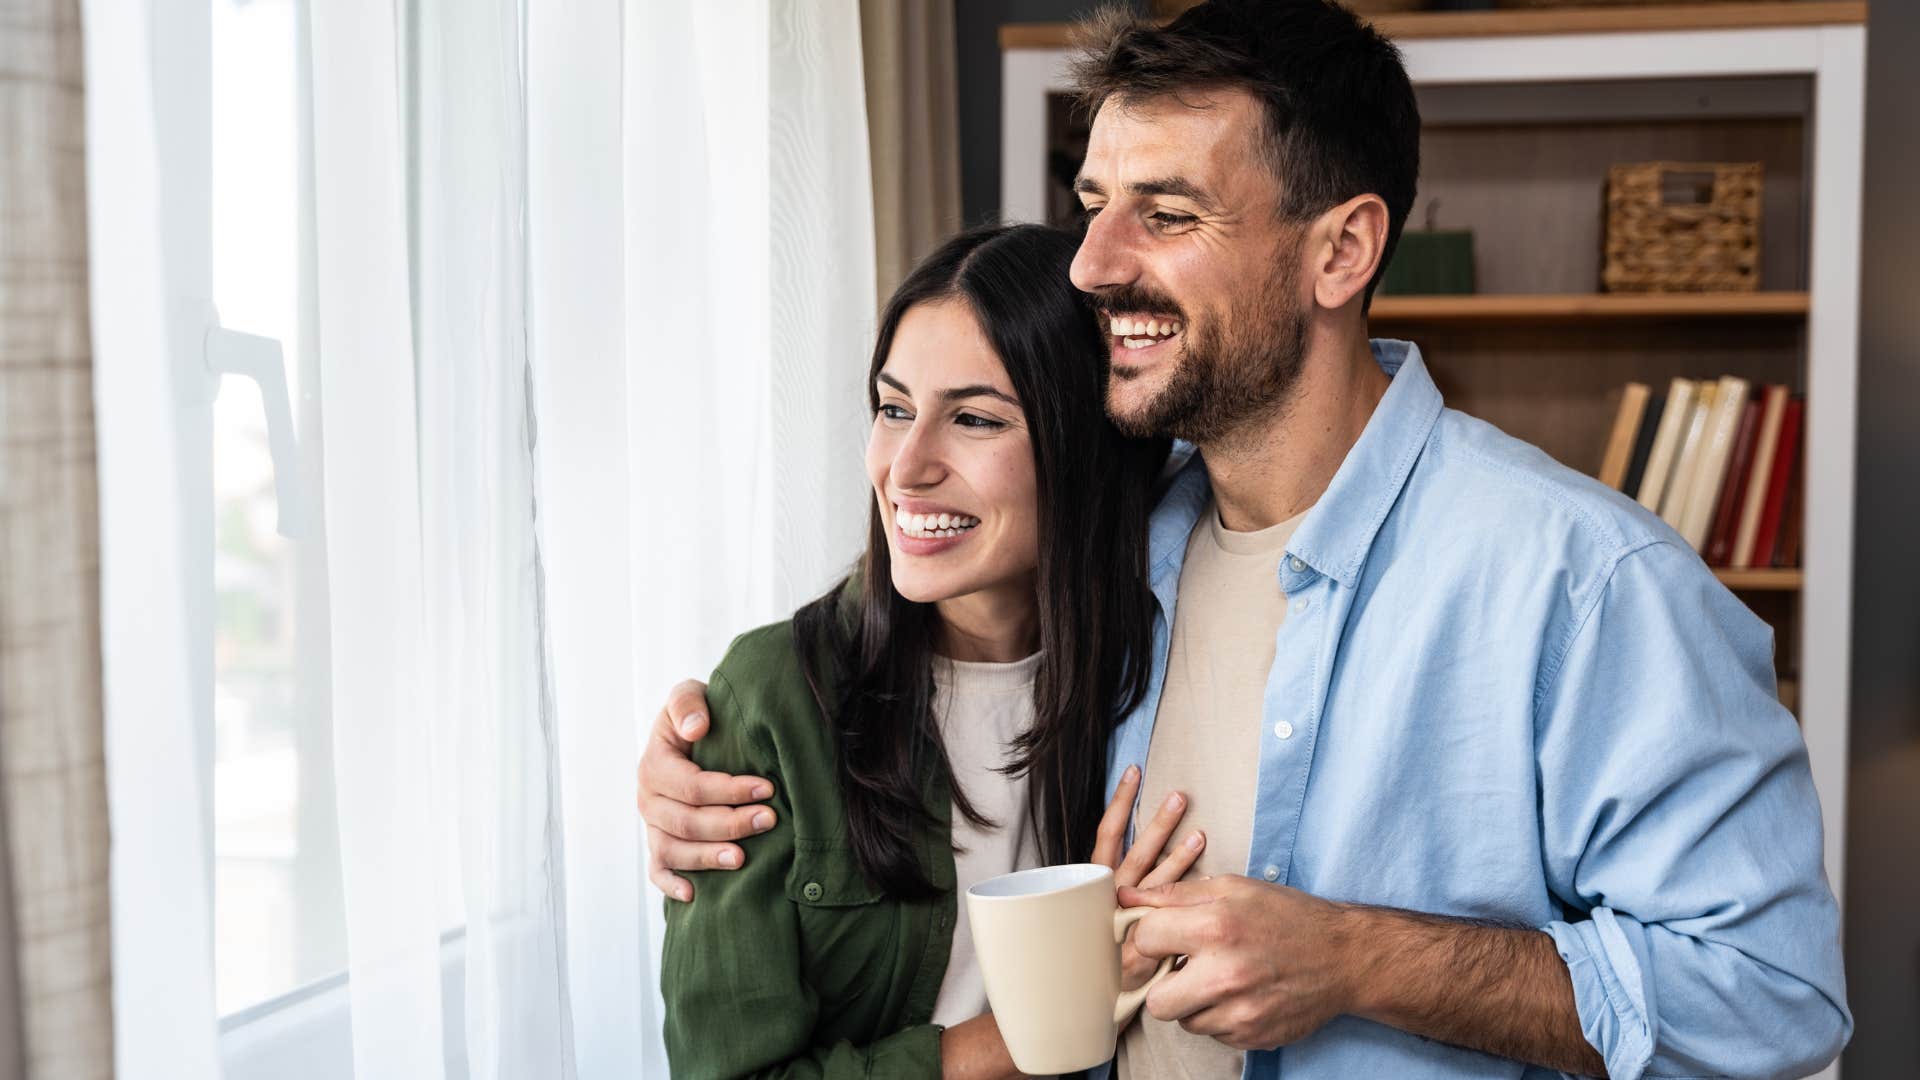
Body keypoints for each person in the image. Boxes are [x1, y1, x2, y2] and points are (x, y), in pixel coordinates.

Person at [640, 3, 1852, 1078]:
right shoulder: (1112, 539)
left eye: (1167, 214)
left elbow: (1775, 1001)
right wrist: (705, 761)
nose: (1095, 265)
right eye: (1093, 205)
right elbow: (901, 623)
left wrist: (1359, 959)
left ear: (1342, 250)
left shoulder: (1585, 586)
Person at [660, 223, 1202, 1079]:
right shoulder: (770, 703)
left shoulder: (1153, 661)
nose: (905, 468)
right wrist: (1042, 1023)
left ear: (1084, 446)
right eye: (894, 407)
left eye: (975, 419)